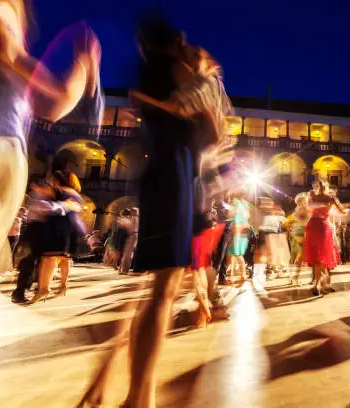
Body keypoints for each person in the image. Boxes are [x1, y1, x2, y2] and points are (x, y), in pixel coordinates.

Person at [79, 17, 231, 408]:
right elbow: (213, 133)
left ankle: (117, 386)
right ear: (175, 44)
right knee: (160, 290)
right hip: (175, 175)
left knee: (152, 289)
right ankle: (137, 397)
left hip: (168, 174)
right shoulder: (174, 72)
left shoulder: (154, 70)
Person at [0, 0, 101, 274]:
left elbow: (52, 107)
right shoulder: (4, 27)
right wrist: (84, 64)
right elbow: (57, 98)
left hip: (9, 153)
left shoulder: (13, 52)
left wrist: (83, 66)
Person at [30, 171, 84, 303]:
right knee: (63, 259)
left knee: (48, 258)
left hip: (58, 228)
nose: (50, 183)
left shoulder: (60, 191)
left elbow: (45, 197)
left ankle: (43, 289)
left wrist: (36, 188)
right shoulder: (75, 194)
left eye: (52, 181)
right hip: (70, 229)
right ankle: (62, 286)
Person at [302, 180, 349, 296]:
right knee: (323, 256)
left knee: (317, 257)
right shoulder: (330, 198)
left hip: (313, 225)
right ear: (327, 188)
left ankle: (319, 284)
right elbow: (342, 211)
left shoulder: (312, 197)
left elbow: (308, 209)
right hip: (324, 226)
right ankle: (321, 284)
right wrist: (347, 210)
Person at [285, 193, 310, 285]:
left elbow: (288, 223)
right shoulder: (301, 210)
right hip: (299, 234)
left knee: (295, 256)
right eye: (304, 200)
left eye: (305, 200)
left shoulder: (297, 210)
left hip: (299, 233)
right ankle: (294, 277)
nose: (305, 202)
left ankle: (292, 277)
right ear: (300, 201)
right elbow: (290, 223)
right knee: (298, 257)